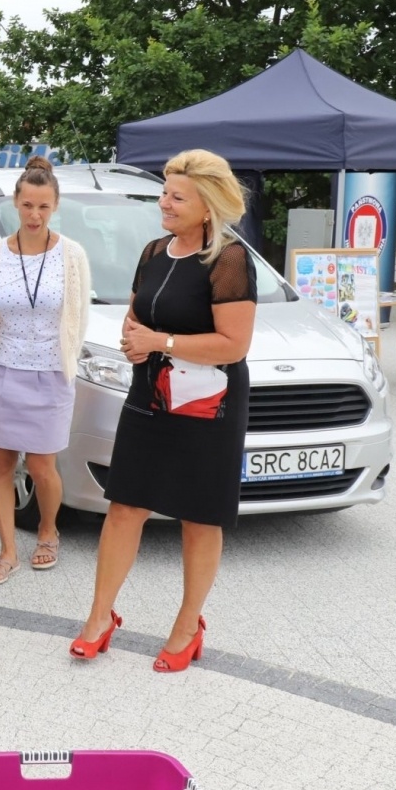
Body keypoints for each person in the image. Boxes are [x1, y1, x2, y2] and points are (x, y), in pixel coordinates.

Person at [69, 149, 257, 672]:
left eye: (177, 197)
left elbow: (234, 345)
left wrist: (161, 342)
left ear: (207, 206)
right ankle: (99, 617)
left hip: (208, 405)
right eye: (165, 193)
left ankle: (187, 625)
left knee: (199, 515)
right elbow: (135, 317)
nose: (164, 203)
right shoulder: (154, 251)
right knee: (125, 505)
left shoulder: (228, 260)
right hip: (149, 396)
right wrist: (134, 341)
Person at [0, 155, 92, 584]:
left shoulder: (72, 255)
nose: (34, 215)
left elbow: (79, 318)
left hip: (51, 373)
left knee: (43, 467)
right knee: (1, 465)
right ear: (15, 202)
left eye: (43, 206)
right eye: (27, 205)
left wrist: (66, 363)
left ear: (55, 205)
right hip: (3, 371)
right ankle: (7, 550)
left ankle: (48, 531)